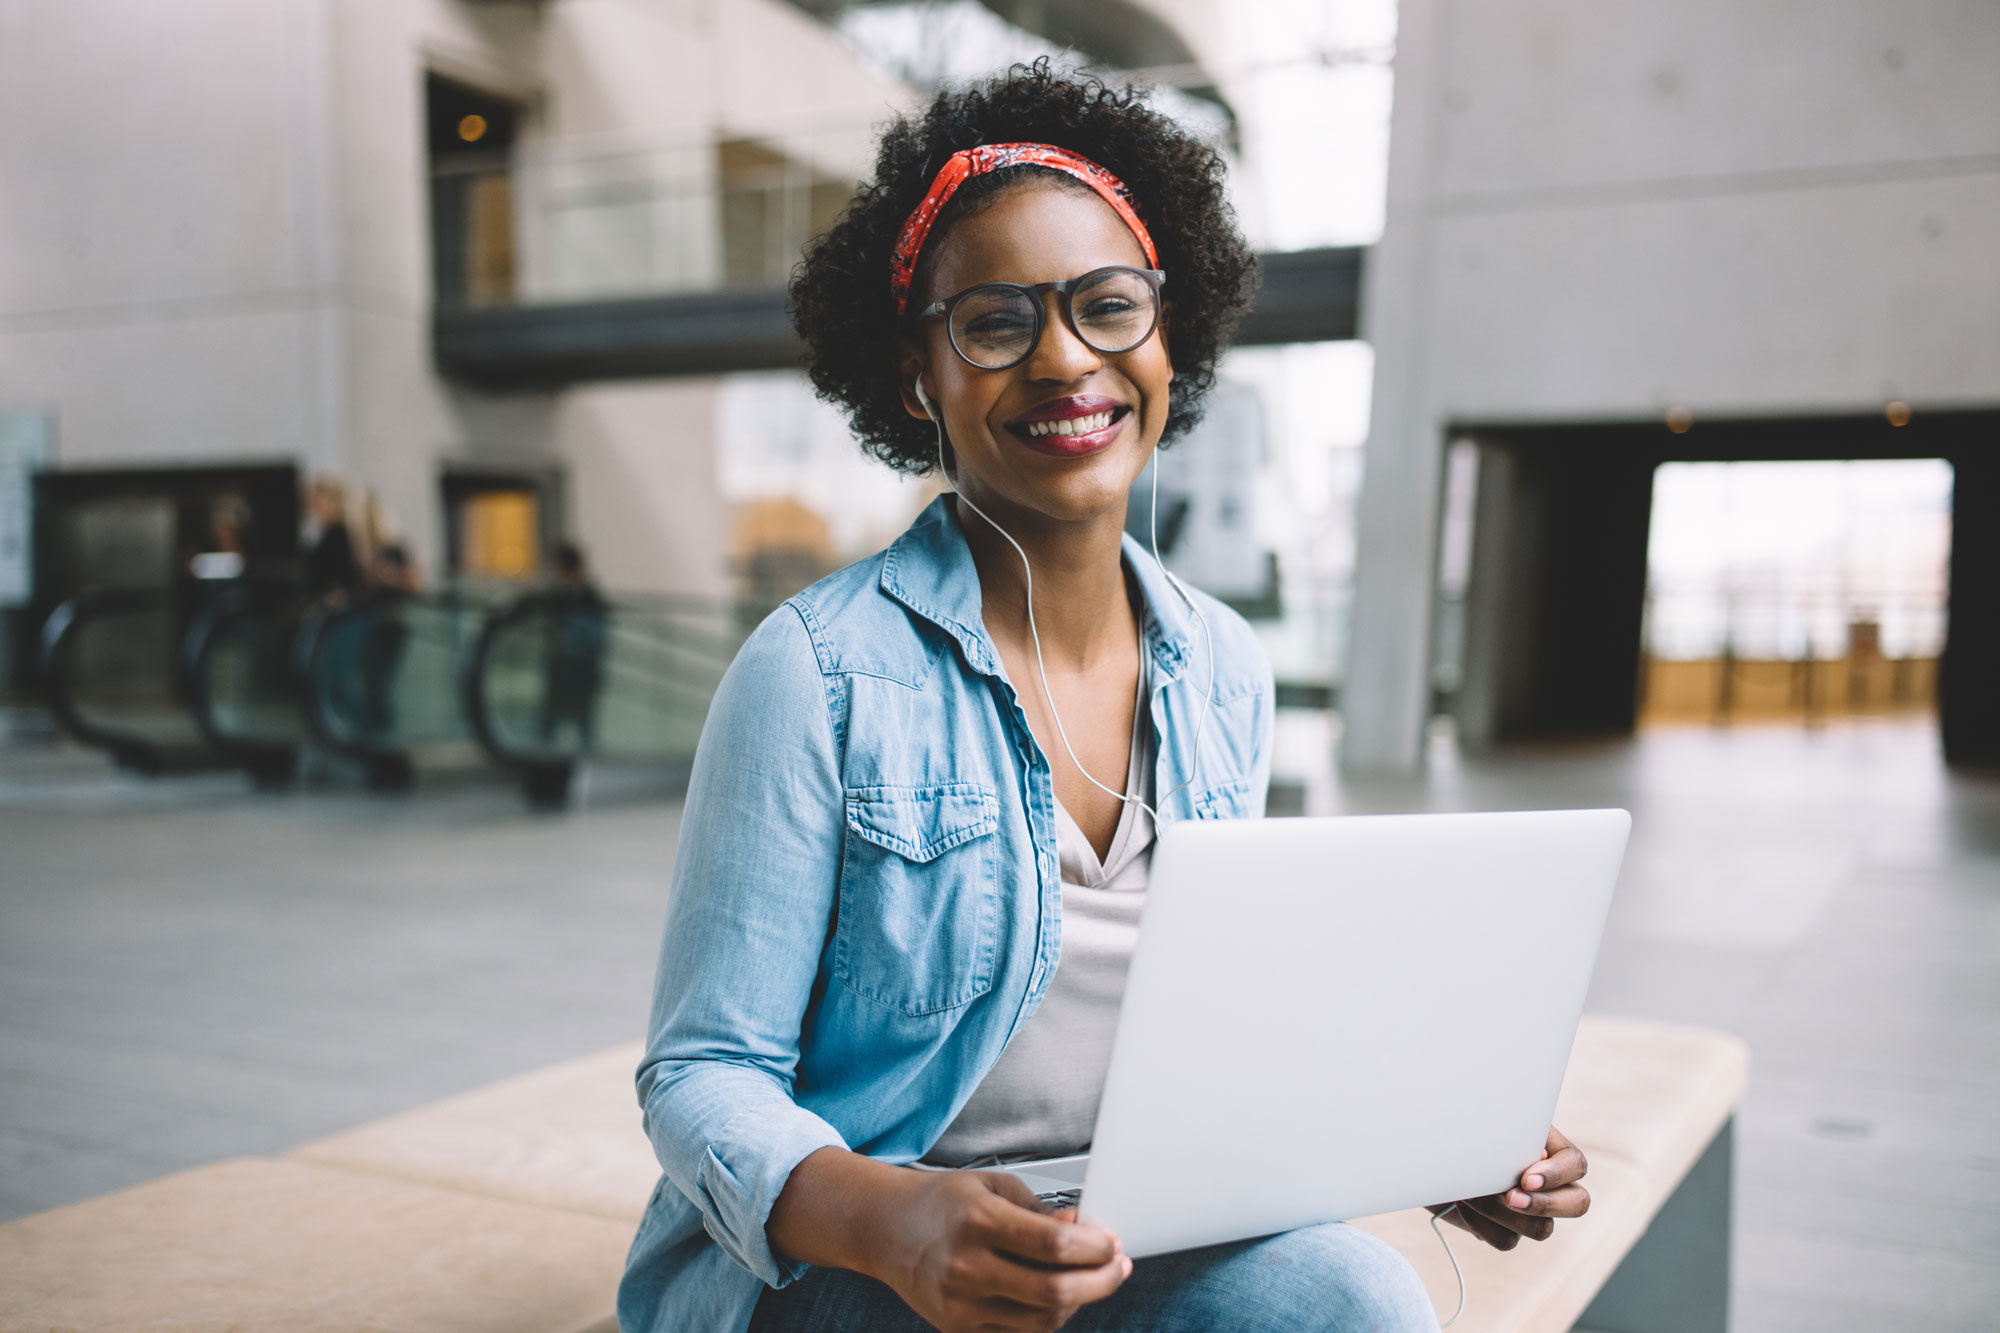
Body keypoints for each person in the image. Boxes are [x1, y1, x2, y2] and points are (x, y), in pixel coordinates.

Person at [620, 63, 1590, 1333]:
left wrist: (1431, 1138)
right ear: (918, 376)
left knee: (1357, 1297)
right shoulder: (814, 672)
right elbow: (701, 1076)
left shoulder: (1220, 665)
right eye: (993, 321)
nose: (1065, 357)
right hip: (854, 1259)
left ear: (1166, 342)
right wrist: (903, 1223)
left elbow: (1215, 1021)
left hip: (1125, 1231)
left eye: (1106, 305)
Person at [538, 541, 608, 747]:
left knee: (582, 717)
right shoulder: (558, 595)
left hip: (579, 668)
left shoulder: (587, 595)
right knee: (552, 718)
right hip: (563, 667)